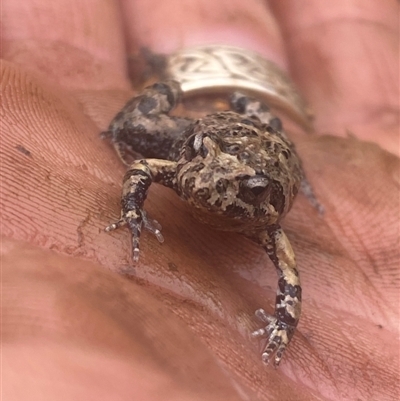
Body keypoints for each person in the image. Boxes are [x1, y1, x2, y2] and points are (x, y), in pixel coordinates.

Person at [2, 0, 398, 400]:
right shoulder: (186, 165)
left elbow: (290, 282)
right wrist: (132, 212)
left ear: (269, 200)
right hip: (209, 128)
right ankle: (205, 139)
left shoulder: (268, 227)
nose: (208, 184)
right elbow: (142, 170)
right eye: (200, 160)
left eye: (252, 191)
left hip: (264, 151)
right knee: (133, 127)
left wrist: (281, 329)